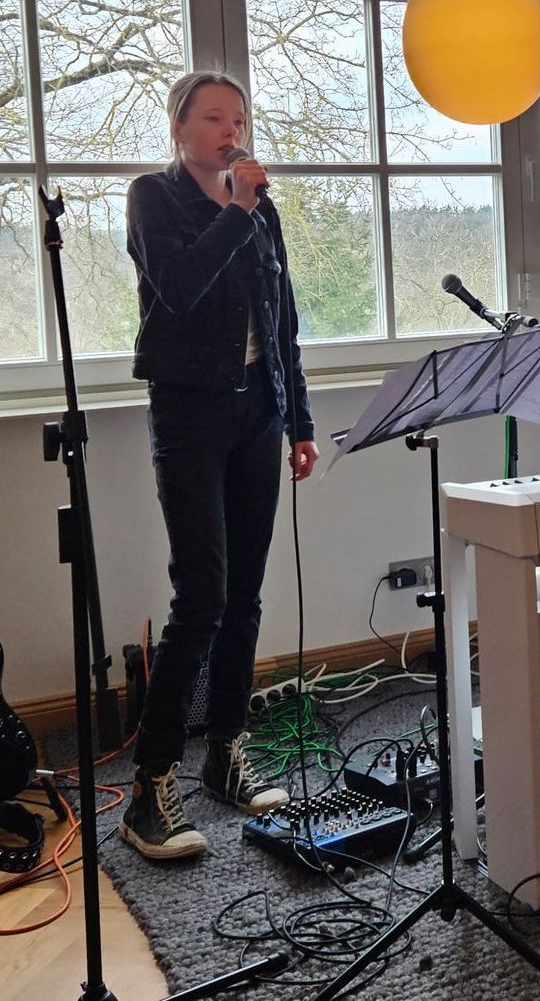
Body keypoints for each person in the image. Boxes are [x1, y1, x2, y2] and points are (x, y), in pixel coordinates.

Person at [118, 71, 320, 860]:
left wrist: (299, 421)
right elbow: (176, 288)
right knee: (200, 595)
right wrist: (235, 209)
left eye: (237, 117)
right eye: (212, 117)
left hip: (257, 414)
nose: (229, 129)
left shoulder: (261, 210)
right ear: (180, 129)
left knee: (244, 597)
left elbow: (282, 323)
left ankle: (225, 752)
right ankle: (150, 782)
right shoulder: (154, 198)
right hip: (189, 412)